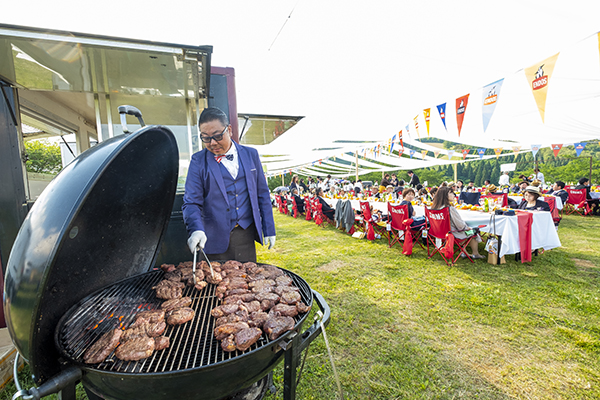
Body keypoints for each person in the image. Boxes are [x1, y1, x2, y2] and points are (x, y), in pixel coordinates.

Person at [183, 107, 276, 262]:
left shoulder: (251, 154)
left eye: (217, 136)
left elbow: (262, 194)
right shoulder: (198, 161)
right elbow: (191, 202)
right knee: (213, 284)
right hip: (211, 239)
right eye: (205, 138)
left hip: (245, 236)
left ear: (229, 130)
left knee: (246, 281)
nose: (212, 143)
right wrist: (196, 230)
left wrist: (269, 229)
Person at [431, 186, 484, 259]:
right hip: (452, 234)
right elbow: (460, 225)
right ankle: (475, 253)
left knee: (461, 229)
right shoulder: (449, 209)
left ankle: (464, 252)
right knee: (472, 231)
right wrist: (467, 228)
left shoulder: (434, 208)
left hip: (438, 233)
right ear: (445, 195)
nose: (454, 195)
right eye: (451, 193)